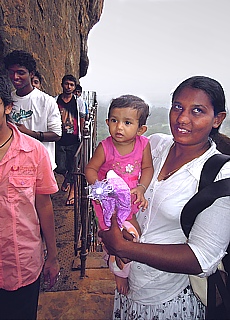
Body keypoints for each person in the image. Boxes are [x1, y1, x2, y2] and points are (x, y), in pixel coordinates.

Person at [99, 76, 230, 319]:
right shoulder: (155, 145)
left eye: (197, 111)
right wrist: (122, 227)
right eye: (178, 106)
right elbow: (118, 185)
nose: (182, 118)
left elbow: (201, 258)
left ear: (218, 119)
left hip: (169, 296)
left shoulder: (220, 174)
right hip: (129, 287)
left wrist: (123, 246)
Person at [0, 75, 60, 320]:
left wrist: (53, 257)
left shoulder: (33, 152)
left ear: (7, 107)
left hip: (22, 262)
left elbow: (43, 205)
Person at [85, 95, 154, 294]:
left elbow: (147, 168)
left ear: (141, 129)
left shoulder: (143, 145)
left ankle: (122, 265)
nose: (119, 127)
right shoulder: (105, 147)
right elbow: (90, 168)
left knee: (133, 236)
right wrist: (99, 187)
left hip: (129, 200)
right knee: (114, 238)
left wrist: (141, 188)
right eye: (114, 121)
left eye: (127, 122)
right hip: (108, 205)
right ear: (107, 122)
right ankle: (118, 272)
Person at [4, 50, 62, 170]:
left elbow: (57, 134)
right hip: (14, 166)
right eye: (11, 72)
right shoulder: (7, 99)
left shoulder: (46, 101)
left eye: (20, 73)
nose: (15, 77)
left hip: (41, 165)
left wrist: (29, 133)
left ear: (31, 74)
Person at [55, 75, 86, 205]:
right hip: (59, 140)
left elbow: (82, 118)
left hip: (74, 140)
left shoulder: (78, 102)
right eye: (67, 84)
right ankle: (66, 178)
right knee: (60, 167)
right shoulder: (55, 100)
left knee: (73, 167)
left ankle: (72, 194)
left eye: (71, 85)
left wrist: (83, 134)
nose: (69, 87)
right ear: (62, 84)